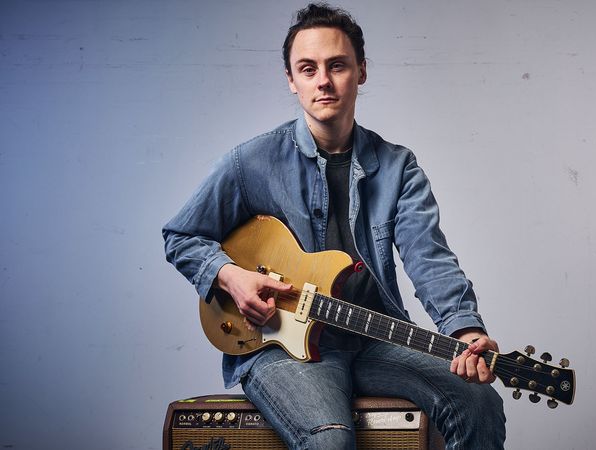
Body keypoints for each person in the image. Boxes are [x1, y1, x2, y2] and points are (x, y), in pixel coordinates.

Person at [163, 3, 505, 449]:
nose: (323, 81)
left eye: (337, 65)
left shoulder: (398, 167)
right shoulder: (250, 163)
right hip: (278, 348)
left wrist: (466, 331)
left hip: (372, 338)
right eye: (308, 69)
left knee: (478, 400)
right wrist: (232, 278)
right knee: (331, 443)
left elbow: (429, 257)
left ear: (361, 71)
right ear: (291, 79)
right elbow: (182, 236)